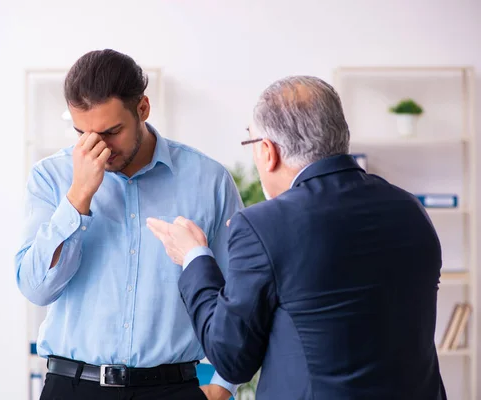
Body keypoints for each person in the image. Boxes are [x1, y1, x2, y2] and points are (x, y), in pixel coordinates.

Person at [147, 76, 447, 400]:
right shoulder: (410, 208)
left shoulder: (263, 224)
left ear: (268, 151)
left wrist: (195, 258)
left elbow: (230, 358)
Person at [14, 49, 243, 400]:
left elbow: (237, 292)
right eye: (82, 133)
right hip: (72, 388)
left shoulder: (208, 180)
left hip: (171, 389)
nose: (97, 149)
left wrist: (224, 386)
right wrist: (77, 198)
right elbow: (36, 289)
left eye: (111, 131)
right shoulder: (52, 177)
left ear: (143, 109)